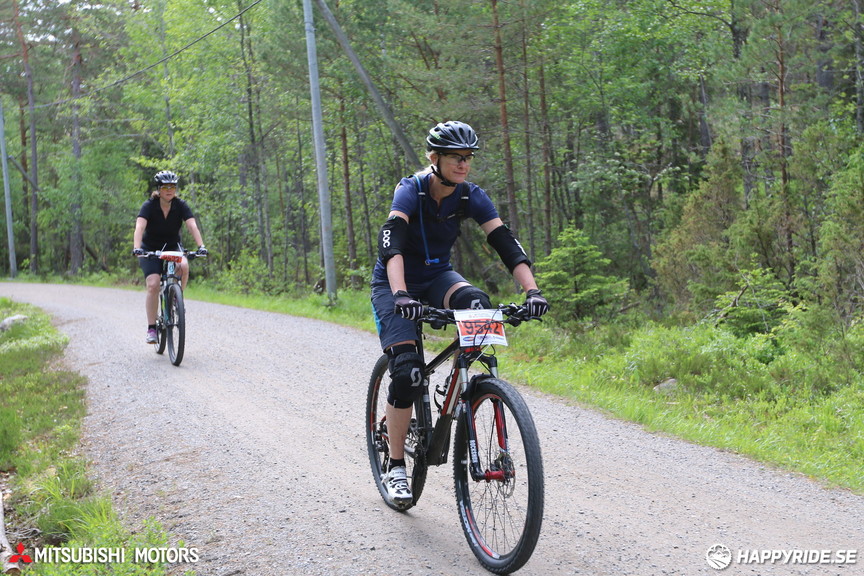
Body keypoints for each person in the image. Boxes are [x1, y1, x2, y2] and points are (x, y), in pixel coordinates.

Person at [370, 120, 549, 506]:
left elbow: (505, 243)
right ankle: (398, 467)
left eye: (468, 158)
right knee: (407, 372)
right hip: (395, 282)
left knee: (478, 305)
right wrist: (401, 294)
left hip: (437, 277)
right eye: (456, 157)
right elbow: (393, 245)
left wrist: (532, 290)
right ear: (434, 158)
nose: (464, 164)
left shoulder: (469, 196)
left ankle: (460, 387)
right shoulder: (410, 190)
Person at [133, 170, 208, 344]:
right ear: (159, 189)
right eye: (166, 187)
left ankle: (177, 298)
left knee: (184, 266)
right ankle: (152, 328)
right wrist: (137, 248)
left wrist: (201, 246)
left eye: (173, 187)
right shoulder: (149, 206)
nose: (169, 190)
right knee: (153, 285)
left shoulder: (180, 205)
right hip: (150, 249)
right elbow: (139, 227)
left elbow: (192, 225)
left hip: (172, 247)